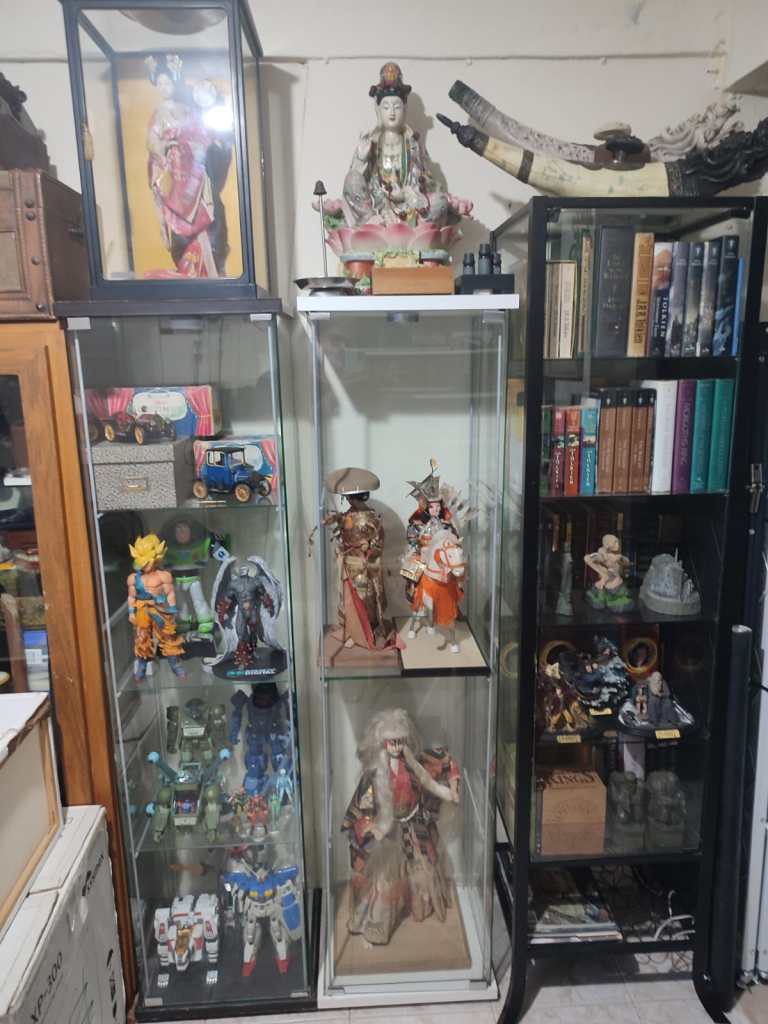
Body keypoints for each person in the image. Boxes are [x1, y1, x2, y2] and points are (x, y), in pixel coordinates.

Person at [340, 63, 471, 229]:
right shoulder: (371, 143)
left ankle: (408, 228)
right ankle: (370, 221)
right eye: (386, 107)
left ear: (405, 109)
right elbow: (355, 183)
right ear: (378, 110)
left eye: (397, 107)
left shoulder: (412, 144)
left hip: (409, 209)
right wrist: (361, 158)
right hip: (378, 210)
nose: (392, 113)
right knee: (351, 178)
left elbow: (429, 183)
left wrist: (409, 194)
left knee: (440, 201)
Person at [144, 54, 231, 277]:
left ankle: (210, 267)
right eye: (161, 83)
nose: (164, 87)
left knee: (208, 217)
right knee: (180, 228)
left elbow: (202, 134)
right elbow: (152, 141)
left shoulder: (188, 109)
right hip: (175, 173)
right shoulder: (158, 113)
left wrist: (201, 144)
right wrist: (167, 146)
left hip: (195, 170)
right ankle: (187, 267)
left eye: (167, 82)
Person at [127, 533, 185, 680]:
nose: (144, 565)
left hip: (159, 610)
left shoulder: (163, 576)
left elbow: (170, 593)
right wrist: (131, 612)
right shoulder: (133, 578)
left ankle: (175, 666)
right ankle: (142, 667)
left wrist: (172, 608)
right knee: (142, 639)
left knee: (168, 637)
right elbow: (131, 597)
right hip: (141, 610)